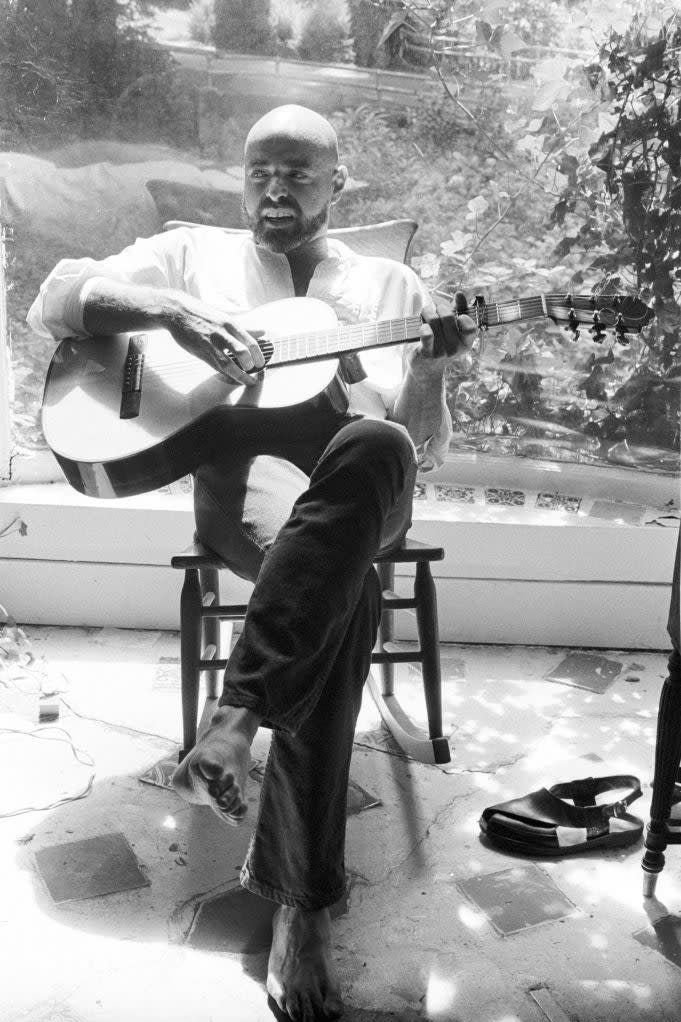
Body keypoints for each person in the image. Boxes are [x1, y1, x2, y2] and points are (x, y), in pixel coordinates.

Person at [28, 105, 475, 1022]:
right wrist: (173, 313)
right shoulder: (189, 254)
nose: (275, 188)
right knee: (332, 593)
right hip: (250, 479)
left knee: (377, 445)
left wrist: (431, 369)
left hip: (359, 478)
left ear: (338, 182)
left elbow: (421, 448)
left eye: (298, 172)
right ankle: (299, 906)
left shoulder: (393, 283)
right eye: (259, 170)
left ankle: (237, 715)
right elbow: (57, 298)